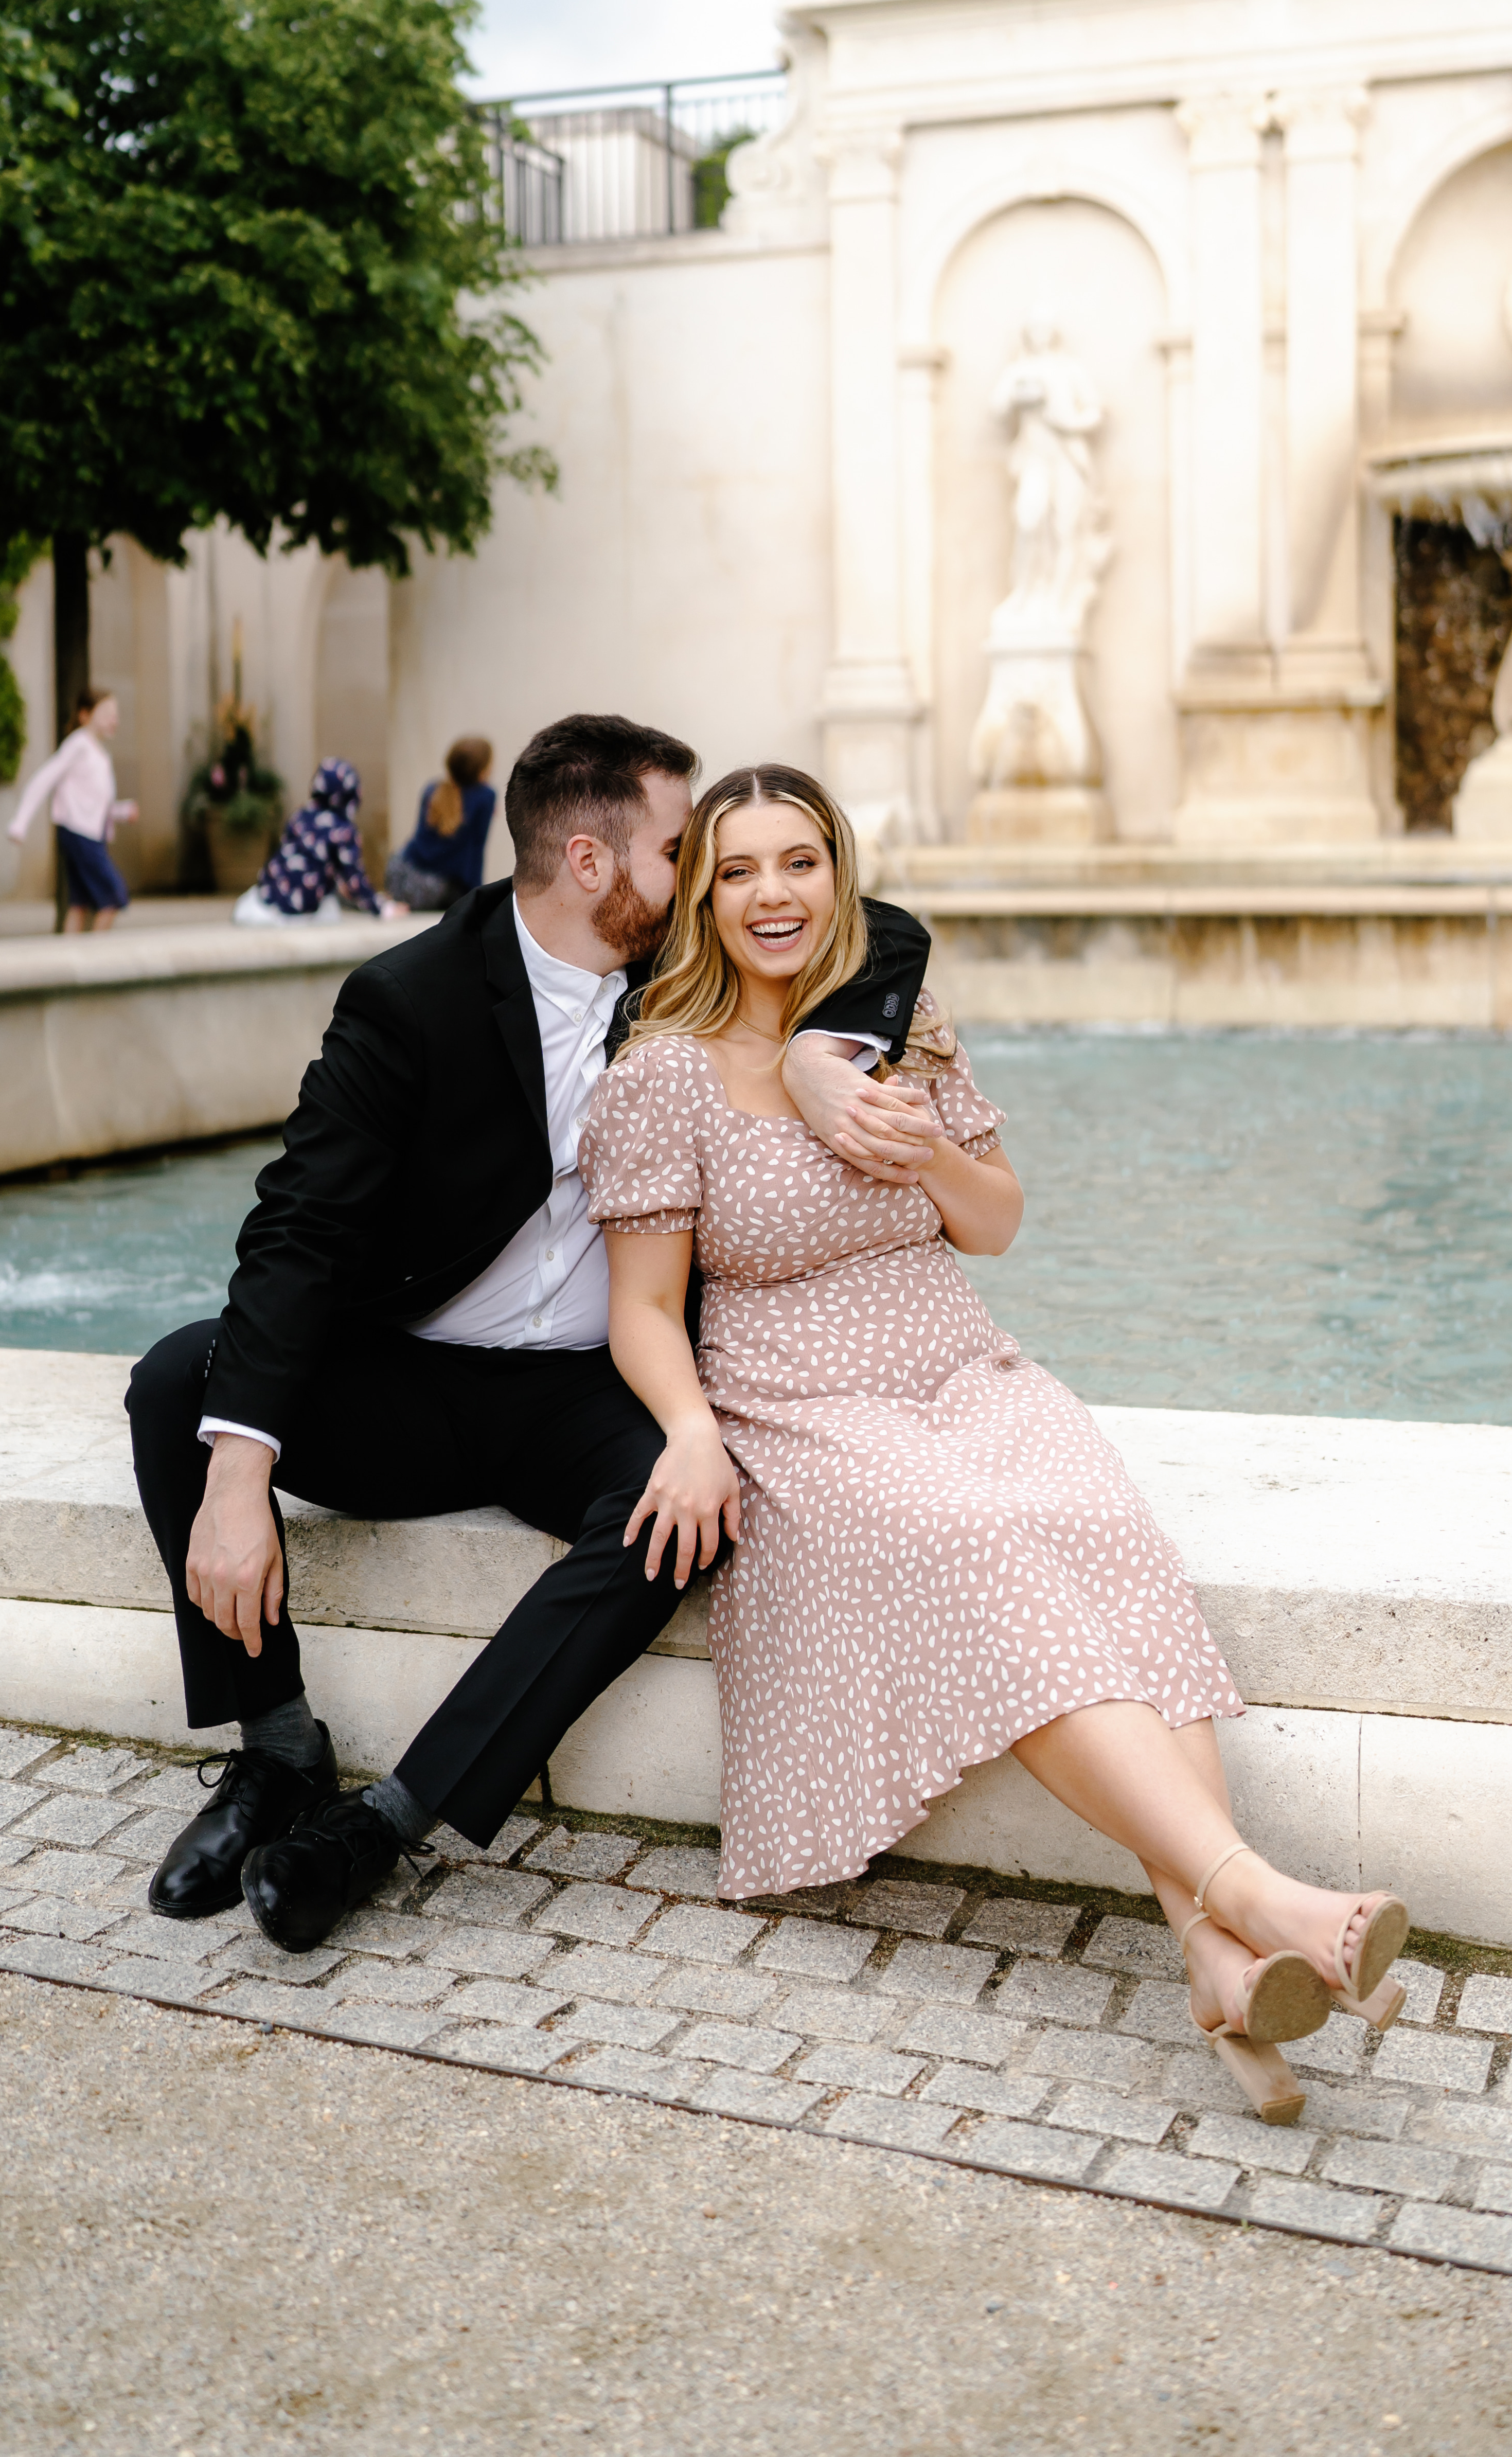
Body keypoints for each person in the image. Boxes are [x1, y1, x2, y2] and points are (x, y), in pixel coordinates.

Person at [579, 762, 1411, 2127]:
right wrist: (688, 1430)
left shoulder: (897, 1030)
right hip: (804, 1403)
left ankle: (1213, 1955)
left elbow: (997, 1221)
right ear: (707, 901)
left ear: (839, 876)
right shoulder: (664, 1076)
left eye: (800, 863)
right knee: (980, 1542)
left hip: (963, 1366)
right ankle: (1262, 1895)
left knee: (1092, 1526)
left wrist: (921, 1156)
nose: (772, 894)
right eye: (738, 871)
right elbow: (646, 1310)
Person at [126, 712, 941, 1956]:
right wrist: (241, 1474)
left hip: (587, 1385)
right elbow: (298, 1229)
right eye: (686, 849)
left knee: (684, 1510)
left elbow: (880, 929)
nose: (714, 876)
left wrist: (828, 1056)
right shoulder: (409, 999)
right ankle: (277, 1755)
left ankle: (385, 1823)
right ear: (592, 862)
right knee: (177, 1381)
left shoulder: (680, 970)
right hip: (414, 1375)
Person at [7, 689, 138, 932]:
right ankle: (97, 960)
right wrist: (21, 822)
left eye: (116, 715)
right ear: (85, 715)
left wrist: (121, 811)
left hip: (92, 834)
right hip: (80, 833)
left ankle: (70, 955)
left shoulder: (99, 753)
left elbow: (98, 803)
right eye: (108, 714)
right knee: (113, 895)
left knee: (80, 903)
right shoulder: (78, 745)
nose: (114, 721)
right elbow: (44, 778)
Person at [231, 755, 396, 924]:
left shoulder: (300, 816)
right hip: (301, 909)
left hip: (266, 899)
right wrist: (382, 908)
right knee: (331, 908)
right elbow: (354, 881)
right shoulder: (343, 831)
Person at [382, 737, 495, 912]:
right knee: (455, 892)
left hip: (400, 873)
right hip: (435, 889)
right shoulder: (486, 797)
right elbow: (476, 851)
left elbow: (423, 843)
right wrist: (476, 897)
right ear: (483, 771)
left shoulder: (432, 789)